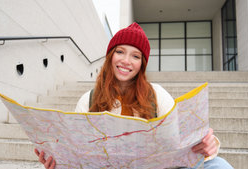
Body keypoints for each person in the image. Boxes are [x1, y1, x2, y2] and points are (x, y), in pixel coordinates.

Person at [35, 22, 233, 169]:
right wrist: (57, 163)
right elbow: (78, 154)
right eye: (120, 52)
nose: (126, 61)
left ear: (142, 65)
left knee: (219, 165)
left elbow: (184, 138)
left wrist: (209, 143)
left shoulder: (157, 94)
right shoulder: (87, 100)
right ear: (110, 56)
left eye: (135, 56)